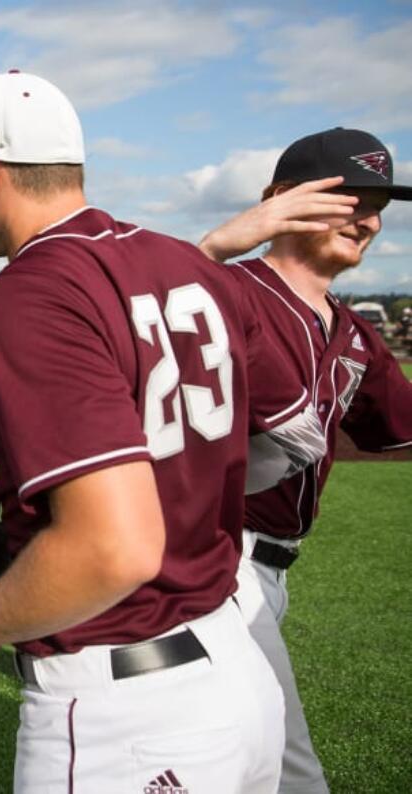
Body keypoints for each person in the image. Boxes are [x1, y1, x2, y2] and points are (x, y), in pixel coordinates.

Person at [0, 71, 325, 793]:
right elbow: (296, 437)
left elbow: (115, 547)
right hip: (241, 668)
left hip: (126, 703)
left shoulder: (31, 289)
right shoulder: (191, 265)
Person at [198, 127, 412, 794]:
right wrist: (215, 246)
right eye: (349, 197)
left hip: (271, 573)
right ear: (280, 201)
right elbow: (122, 314)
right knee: (290, 770)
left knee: (209, 755)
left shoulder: (354, 332)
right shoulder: (223, 292)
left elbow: (398, 426)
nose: (369, 218)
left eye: (378, 204)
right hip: (214, 564)